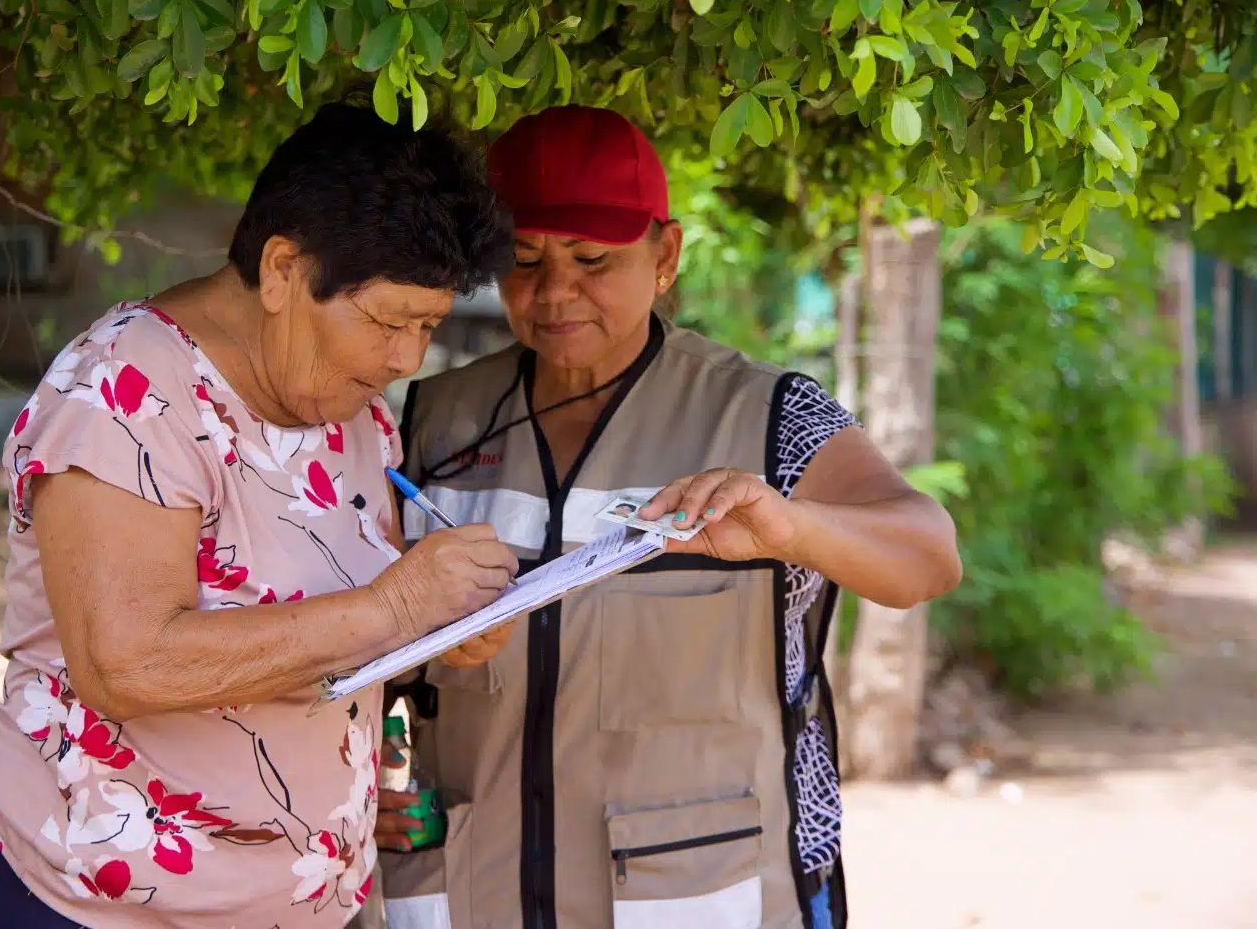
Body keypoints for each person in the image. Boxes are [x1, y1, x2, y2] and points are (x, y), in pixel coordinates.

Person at [377, 105, 962, 929]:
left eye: (591, 259)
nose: (554, 294)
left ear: (666, 255)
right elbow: (378, 651)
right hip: (475, 885)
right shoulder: (430, 420)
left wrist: (792, 528)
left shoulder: (768, 416)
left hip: (702, 893)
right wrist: (378, 777)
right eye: (523, 260)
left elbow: (929, 554)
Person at [0, 99, 521, 929]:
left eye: (427, 325)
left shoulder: (351, 407)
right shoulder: (126, 392)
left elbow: (343, 633)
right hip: (94, 903)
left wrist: (429, 632)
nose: (405, 358)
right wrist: (393, 606)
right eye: (388, 320)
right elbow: (128, 665)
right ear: (283, 269)